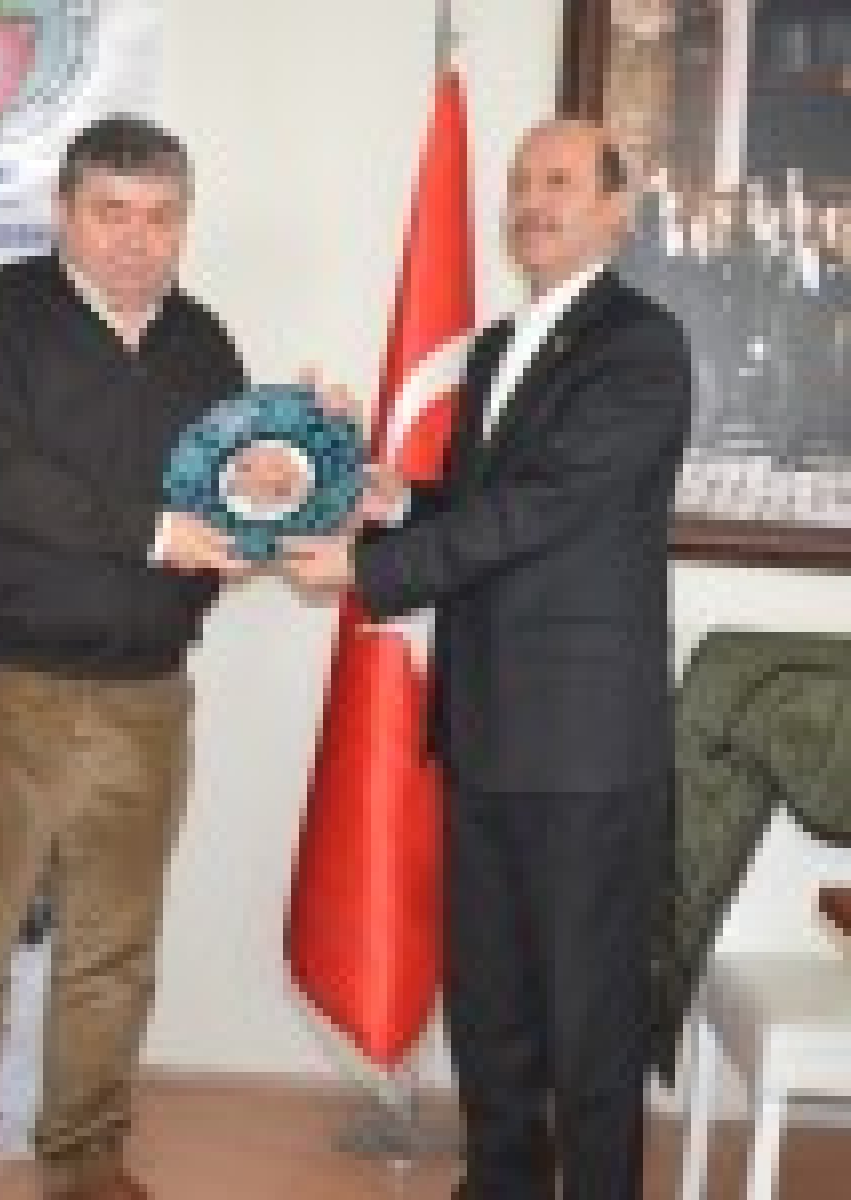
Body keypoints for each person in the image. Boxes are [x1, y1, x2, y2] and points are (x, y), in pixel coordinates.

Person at [283, 119, 693, 1200]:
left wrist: (369, 573)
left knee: (589, 1028)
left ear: (618, 209)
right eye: (519, 182)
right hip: (482, 732)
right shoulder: (499, 347)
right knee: (491, 1014)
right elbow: (477, 512)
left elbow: (546, 511)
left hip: (586, 749)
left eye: (560, 181)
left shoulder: (642, 346)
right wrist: (388, 499)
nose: (531, 201)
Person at [0, 115, 255, 1200]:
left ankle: (87, 1162)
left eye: (161, 217)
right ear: (64, 213)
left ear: (185, 221)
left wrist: (276, 489)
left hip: (145, 694)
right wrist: (154, 534)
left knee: (114, 954)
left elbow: (227, 493)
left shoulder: (204, 342)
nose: (138, 240)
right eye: (112, 214)